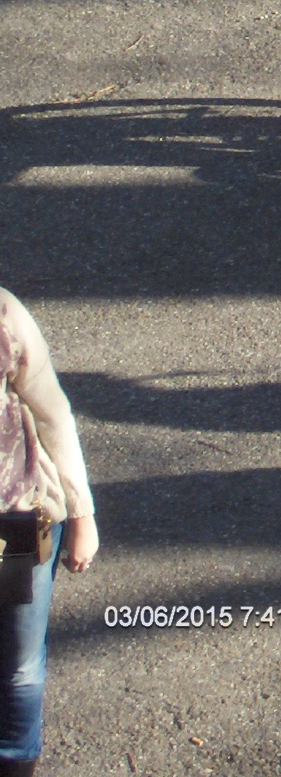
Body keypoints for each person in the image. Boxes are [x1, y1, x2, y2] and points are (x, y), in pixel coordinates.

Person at [0, 286, 99, 777]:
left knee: (19, 665)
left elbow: (53, 414)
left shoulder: (3, 316)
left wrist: (82, 517)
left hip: (19, 523)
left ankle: (16, 760)